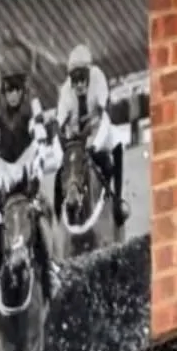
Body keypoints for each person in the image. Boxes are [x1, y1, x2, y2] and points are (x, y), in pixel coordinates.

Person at [0, 42, 60, 324]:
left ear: (23, 88)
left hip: (26, 179)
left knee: (38, 215)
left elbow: (42, 143)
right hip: (4, 181)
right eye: (8, 88)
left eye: (17, 88)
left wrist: (35, 176)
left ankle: (49, 274)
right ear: (3, 89)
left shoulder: (33, 106)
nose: (13, 94)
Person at [56, 42, 130, 226]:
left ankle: (118, 201)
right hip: (75, 140)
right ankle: (59, 214)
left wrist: (96, 146)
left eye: (83, 78)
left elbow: (106, 116)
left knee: (117, 143)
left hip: (97, 131)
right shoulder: (66, 90)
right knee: (61, 168)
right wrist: (64, 151)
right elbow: (58, 125)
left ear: (89, 74)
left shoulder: (98, 78)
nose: (79, 84)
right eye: (75, 79)